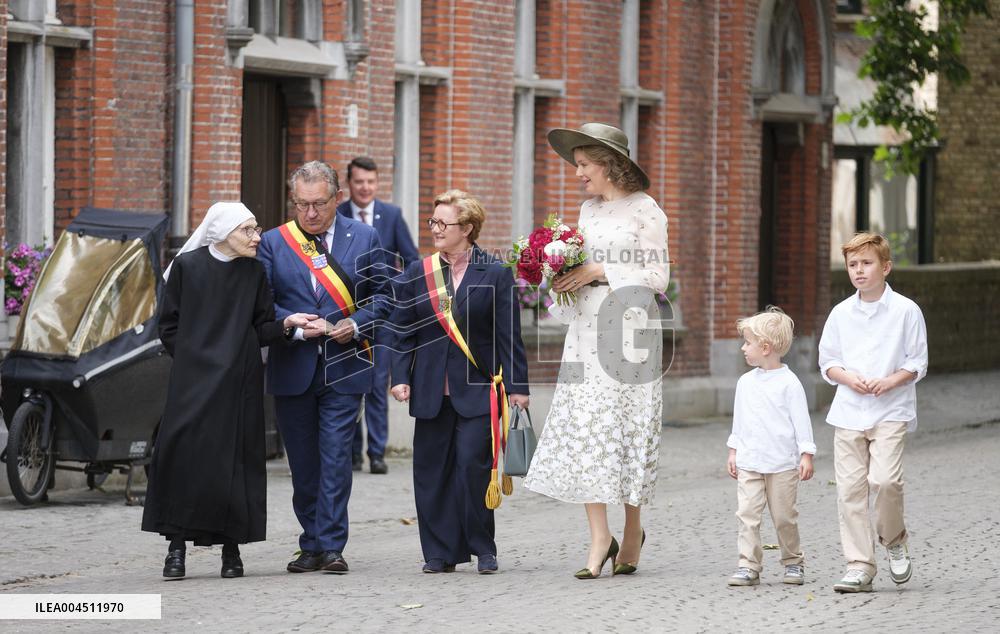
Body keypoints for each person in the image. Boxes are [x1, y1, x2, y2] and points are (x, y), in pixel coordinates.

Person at [522, 122, 670, 579]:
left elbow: (658, 277)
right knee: (588, 428)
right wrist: (559, 274)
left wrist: (599, 271)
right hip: (586, 331)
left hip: (630, 332)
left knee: (627, 431)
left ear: (610, 164)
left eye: (584, 165)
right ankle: (598, 537)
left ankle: (632, 530)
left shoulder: (647, 210)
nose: (578, 173)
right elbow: (578, 265)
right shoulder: (586, 211)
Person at [142, 202, 316, 580]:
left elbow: (261, 327)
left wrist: (287, 323)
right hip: (193, 383)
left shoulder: (253, 272)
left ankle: (232, 551)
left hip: (240, 383)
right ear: (222, 232)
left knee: (235, 463)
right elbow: (168, 326)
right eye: (248, 230)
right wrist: (192, 362)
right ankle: (176, 550)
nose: (257, 237)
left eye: (256, 229)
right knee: (183, 461)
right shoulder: (188, 268)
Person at [257, 161, 391, 575]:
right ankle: (310, 541)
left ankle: (331, 545)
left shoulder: (365, 237)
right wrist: (293, 325)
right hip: (293, 363)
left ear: (337, 198)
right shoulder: (275, 242)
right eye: (301, 204)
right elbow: (262, 302)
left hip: (345, 365)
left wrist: (355, 323)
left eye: (318, 204)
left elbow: (385, 296)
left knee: (335, 458)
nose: (310, 213)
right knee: (303, 463)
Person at [389, 190, 530, 574]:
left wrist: (518, 387)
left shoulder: (495, 273)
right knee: (431, 471)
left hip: (478, 389)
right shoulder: (419, 273)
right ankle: (439, 552)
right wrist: (399, 375)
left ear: (467, 228)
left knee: (472, 467)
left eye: (443, 223)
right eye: (433, 222)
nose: (435, 229)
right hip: (431, 388)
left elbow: (508, 336)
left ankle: (483, 547)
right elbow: (403, 330)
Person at [819, 232, 928, 593]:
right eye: (853, 265)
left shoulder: (906, 311)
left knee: (884, 481)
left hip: (890, 410)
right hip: (849, 411)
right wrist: (848, 378)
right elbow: (829, 361)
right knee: (850, 491)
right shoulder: (840, 313)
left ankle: (894, 538)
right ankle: (860, 565)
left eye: (867, 263)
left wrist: (891, 381)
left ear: (886, 267)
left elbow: (917, 362)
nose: (859, 271)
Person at [337, 156, 420, 475]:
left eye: (371, 182)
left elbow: (411, 260)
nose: (365, 188)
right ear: (349, 184)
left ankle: (377, 452)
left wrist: (397, 291)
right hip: (346, 313)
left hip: (385, 315)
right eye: (359, 182)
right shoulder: (339, 214)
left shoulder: (392, 215)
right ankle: (353, 453)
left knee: (377, 382)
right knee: (348, 379)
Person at [725, 307, 816, 587]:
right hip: (750, 462)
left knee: (784, 517)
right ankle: (748, 564)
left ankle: (793, 561)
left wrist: (806, 454)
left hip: (782, 465)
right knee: (747, 515)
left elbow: (802, 421)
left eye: (748, 343)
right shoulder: (745, 383)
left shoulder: (789, 384)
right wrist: (734, 450)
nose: (743, 348)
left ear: (765, 347)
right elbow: (739, 421)